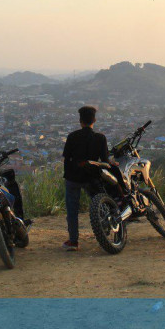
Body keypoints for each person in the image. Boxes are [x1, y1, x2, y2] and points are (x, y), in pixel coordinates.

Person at [62, 105, 117, 251]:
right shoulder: (100, 138)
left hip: (73, 178)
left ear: (80, 121)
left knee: (72, 210)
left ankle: (73, 241)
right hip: (91, 178)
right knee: (100, 205)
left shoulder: (72, 137)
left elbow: (67, 160)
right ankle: (104, 233)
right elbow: (104, 161)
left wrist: (68, 175)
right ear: (94, 120)